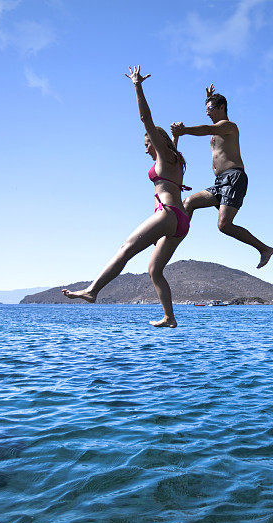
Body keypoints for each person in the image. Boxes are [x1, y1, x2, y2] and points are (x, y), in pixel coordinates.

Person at [62, 66, 190, 328]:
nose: (145, 150)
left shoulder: (164, 155)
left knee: (125, 249)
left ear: (155, 140)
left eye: (146, 144)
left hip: (167, 214)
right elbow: (170, 147)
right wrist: (175, 138)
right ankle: (170, 317)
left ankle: (93, 290)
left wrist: (137, 85)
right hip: (181, 221)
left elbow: (146, 117)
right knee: (154, 270)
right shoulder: (174, 157)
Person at [171, 84, 273, 268]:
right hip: (220, 182)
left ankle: (264, 249)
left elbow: (206, 129)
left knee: (224, 225)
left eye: (210, 109)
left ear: (222, 108)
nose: (207, 113)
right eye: (206, 110)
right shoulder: (217, 127)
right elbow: (209, 126)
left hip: (234, 178)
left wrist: (184, 130)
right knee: (189, 203)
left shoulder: (229, 126)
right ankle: (172, 240)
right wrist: (209, 98)